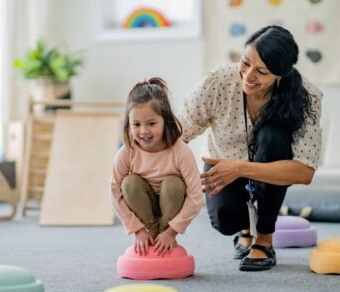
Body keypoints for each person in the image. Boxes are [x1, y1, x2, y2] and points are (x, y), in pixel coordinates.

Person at [179, 25, 322, 271]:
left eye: (261, 72)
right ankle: (246, 228)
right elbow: (180, 130)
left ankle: (264, 238)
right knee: (224, 221)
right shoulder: (218, 82)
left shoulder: (305, 96)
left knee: (273, 137)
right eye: (245, 63)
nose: (248, 76)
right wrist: (148, 118)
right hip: (222, 164)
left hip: (266, 169)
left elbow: (305, 171)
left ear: (281, 74)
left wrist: (241, 168)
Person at [110, 77, 204, 257]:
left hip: (171, 209)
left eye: (151, 123)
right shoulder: (127, 152)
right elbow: (114, 191)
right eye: (136, 125)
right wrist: (138, 230)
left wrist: (172, 231)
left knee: (173, 184)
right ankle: (152, 233)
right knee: (129, 183)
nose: (143, 131)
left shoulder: (181, 151)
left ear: (165, 121)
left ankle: (162, 233)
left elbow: (196, 195)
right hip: (145, 211)